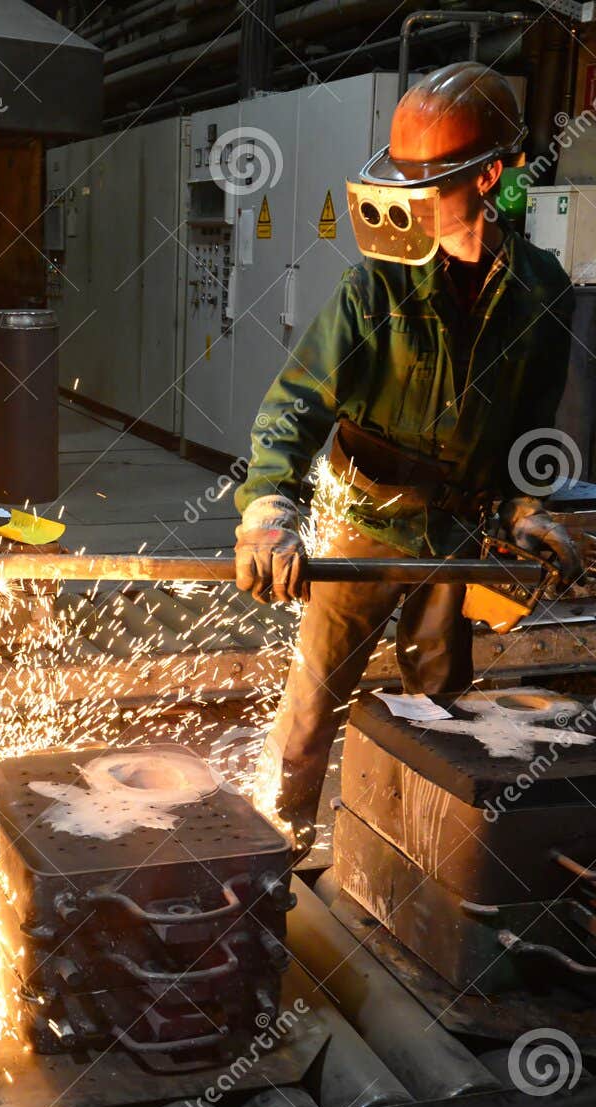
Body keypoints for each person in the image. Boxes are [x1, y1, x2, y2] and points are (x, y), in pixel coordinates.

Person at [232, 62, 582, 842]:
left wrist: (523, 508)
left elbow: (531, 424)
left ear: (488, 177)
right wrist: (268, 509)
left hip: (455, 537)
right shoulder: (376, 288)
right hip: (361, 525)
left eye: (429, 183)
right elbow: (295, 405)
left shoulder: (543, 291)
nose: (409, 199)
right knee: (312, 711)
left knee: (439, 719)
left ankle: (417, 858)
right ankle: (276, 852)